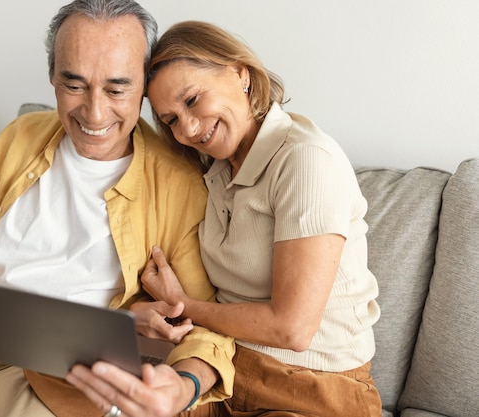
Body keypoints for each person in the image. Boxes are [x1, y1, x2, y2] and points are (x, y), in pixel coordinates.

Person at [0, 6, 236, 417]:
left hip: (55, 372)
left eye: (116, 89)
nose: (94, 112)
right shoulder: (22, 135)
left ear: (143, 85)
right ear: (53, 77)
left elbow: (206, 327)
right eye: (74, 85)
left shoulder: (178, 183)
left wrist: (185, 384)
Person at [67, 20, 383, 417]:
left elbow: (292, 329)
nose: (189, 128)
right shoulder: (214, 171)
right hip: (223, 372)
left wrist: (181, 303)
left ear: (240, 74)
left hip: (314, 390)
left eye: (193, 100)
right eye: (171, 120)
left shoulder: (304, 160)